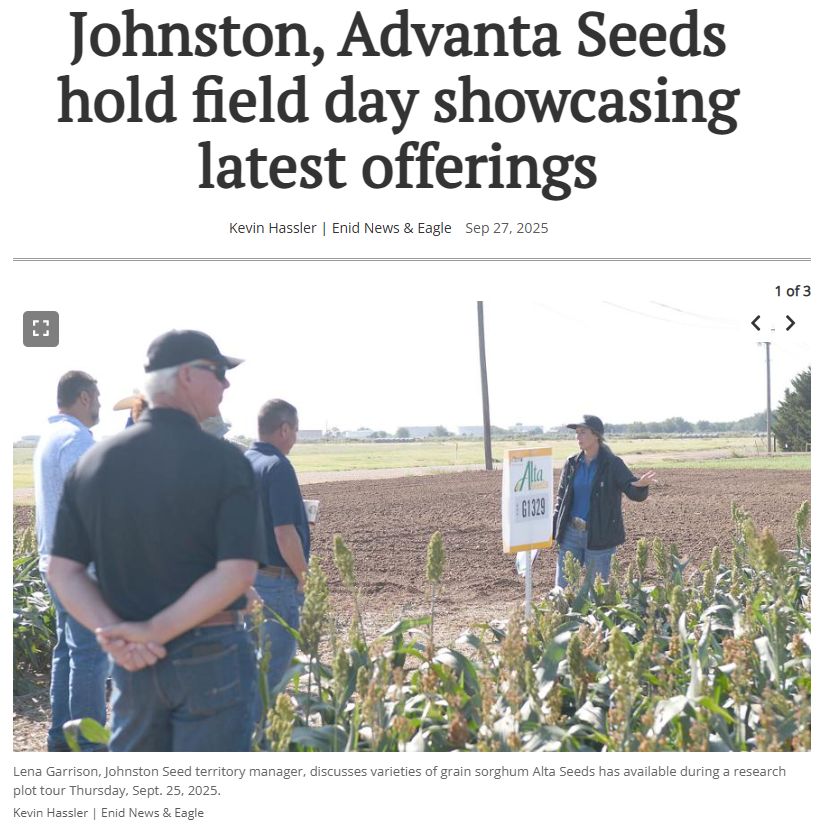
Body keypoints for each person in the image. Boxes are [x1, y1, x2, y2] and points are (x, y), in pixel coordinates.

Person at [48, 330, 267, 752]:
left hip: (133, 664)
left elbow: (63, 570)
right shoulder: (224, 460)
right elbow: (237, 573)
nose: (227, 384)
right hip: (211, 656)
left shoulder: (92, 463)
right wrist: (153, 631)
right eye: (219, 372)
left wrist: (116, 630)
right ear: (186, 375)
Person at [33, 371, 109, 752]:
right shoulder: (77, 441)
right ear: (82, 397)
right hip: (80, 567)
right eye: (96, 396)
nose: (99, 403)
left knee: (68, 650)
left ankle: (60, 741)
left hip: (52, 560)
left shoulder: (49, 439)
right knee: (90, 654)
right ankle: (89, 747)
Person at [245, 399, 310, 711]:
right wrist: (304, 578)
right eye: (295, 430)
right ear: (284, 428)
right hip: (276, 583)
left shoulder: (245, 461)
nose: (295, 437)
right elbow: (283, 533)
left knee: (252, 672)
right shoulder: (279, 467)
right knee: (271, 679)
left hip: (248, 582)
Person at [553, 415, 656, 588]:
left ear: (596, 435)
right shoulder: (571, 463)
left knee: (597, 591)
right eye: (577, 432)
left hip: (599, 536)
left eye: (583, 432)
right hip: (570, 535)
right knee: (562, 589)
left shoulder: (612, 464)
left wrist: (640, 485)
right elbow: (561, 499)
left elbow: (631, 489)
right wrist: (554, 527)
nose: (578, 436)